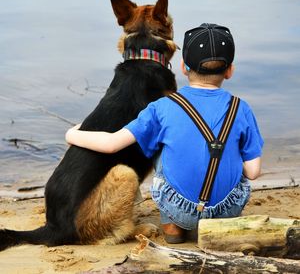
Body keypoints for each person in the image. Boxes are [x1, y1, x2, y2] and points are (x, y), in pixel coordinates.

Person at [65, 23, 264, 244]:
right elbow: (254, 172)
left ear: (183, 67)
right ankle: (215, 222)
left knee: (158, 142)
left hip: (178, 208)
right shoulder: (241, 108)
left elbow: (111, 144)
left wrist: (72, 135)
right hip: (227, 211)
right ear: (230, 71)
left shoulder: (161, 107)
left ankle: (173, 229)